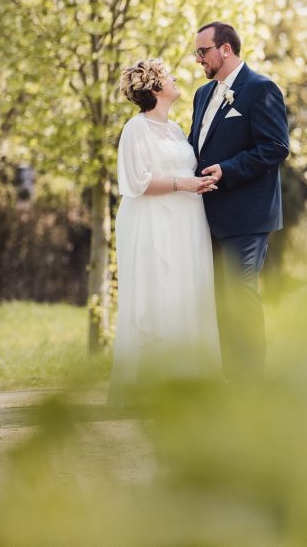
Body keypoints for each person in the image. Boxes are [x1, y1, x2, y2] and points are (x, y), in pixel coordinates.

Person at [111, 59, 222, 399]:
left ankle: (185, 378)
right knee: (157, 289)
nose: (176, 80)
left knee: (183, 291)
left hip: (185, 222)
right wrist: (185, 184)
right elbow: (137, 181)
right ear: (156, 87)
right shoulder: (136, 129)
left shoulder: (175, 130)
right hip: (151, 221)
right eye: (169, 77)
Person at [189, 22, 290, 378]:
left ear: (226, 49)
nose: (198, 58)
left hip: (248, 218)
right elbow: (195, 150)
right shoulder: (202, 95)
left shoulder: (261, 89)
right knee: (218, 301)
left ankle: (251, 385)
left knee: (241, 297)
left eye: (203, 51)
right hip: (207, 217)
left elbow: (276, 148)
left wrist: (227, 170)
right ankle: (228, 378)